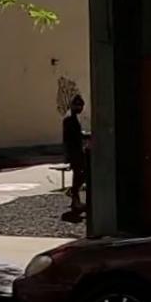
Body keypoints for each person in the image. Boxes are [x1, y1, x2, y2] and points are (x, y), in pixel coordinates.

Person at [62, 94, 89, 222]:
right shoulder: (69, 119)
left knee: (78, 175)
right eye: (78, 105)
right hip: (75, 153)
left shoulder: (72, 118)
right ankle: (73, 193)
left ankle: (75, 198)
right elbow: (70, 138)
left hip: (76, 152)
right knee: (80, 174)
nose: (80, 108)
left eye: (81, 106)